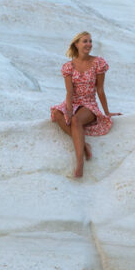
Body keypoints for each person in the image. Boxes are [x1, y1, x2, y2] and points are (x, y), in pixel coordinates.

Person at [50, 31, 121, 178]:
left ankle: (80, 164)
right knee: (57, 114)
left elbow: (100, 90)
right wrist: (68, 111)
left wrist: (107, 112)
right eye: (85, 41)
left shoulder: (98, 63)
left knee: (76, 121)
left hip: (89, 104)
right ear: (76, 44)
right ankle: (84, 145)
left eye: (90, 41)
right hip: (73, 102)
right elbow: (69, 92)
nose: (89, 44)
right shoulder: (68, 66)